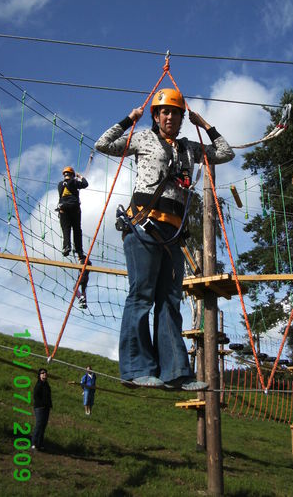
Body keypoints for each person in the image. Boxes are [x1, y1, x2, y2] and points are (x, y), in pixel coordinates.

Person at [95, 87, 235, 390]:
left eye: (175, 112)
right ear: (157, 116)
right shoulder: (143, 138)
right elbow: (103, 144)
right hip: (144, 227)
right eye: (164, 112)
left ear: (182, 117)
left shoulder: (189, 148)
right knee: (142, 296)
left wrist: (206, 126)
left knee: (170, 301)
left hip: (174, 233)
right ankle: (135, 368)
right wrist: (128, 120)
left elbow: (225, 153)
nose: (169, 116)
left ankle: (175, 373)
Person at [57, 166, 88, 258]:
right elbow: (85, 184)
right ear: (72, 175)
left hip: (63, 209)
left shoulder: (59, 184)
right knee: (77, 230)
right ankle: (79, 250)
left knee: (66, 229)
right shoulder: (74, 182)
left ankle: (66, 247)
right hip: (74, 208)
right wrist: (80, 177)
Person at [32, 368, 52, 451]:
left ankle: (40, 443)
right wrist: (42, 404)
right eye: (42, 373)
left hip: (46, 408)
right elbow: (35, 396)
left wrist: (49, 405)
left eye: (45, 373)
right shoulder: (38, 385)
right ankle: (34, 443)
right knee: (39, 425)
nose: (44, 374)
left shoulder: (47, 385)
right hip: (39, 408)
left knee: (43, 426)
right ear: (39, 375)